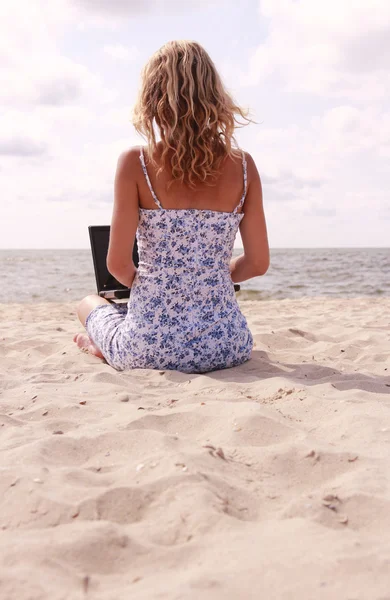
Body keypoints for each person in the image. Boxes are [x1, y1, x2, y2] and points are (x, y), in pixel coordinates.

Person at [73, 40, 269, 373]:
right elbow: (258, 263)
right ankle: (105, 345)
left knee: (88, 305)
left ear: (152, 98)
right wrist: (215, 276)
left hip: (148, 350)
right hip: (227, 346)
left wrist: (159, 287)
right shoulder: (245, 166)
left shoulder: (135, 163)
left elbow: (118, 264)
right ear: (213, 95)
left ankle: (101, 347)